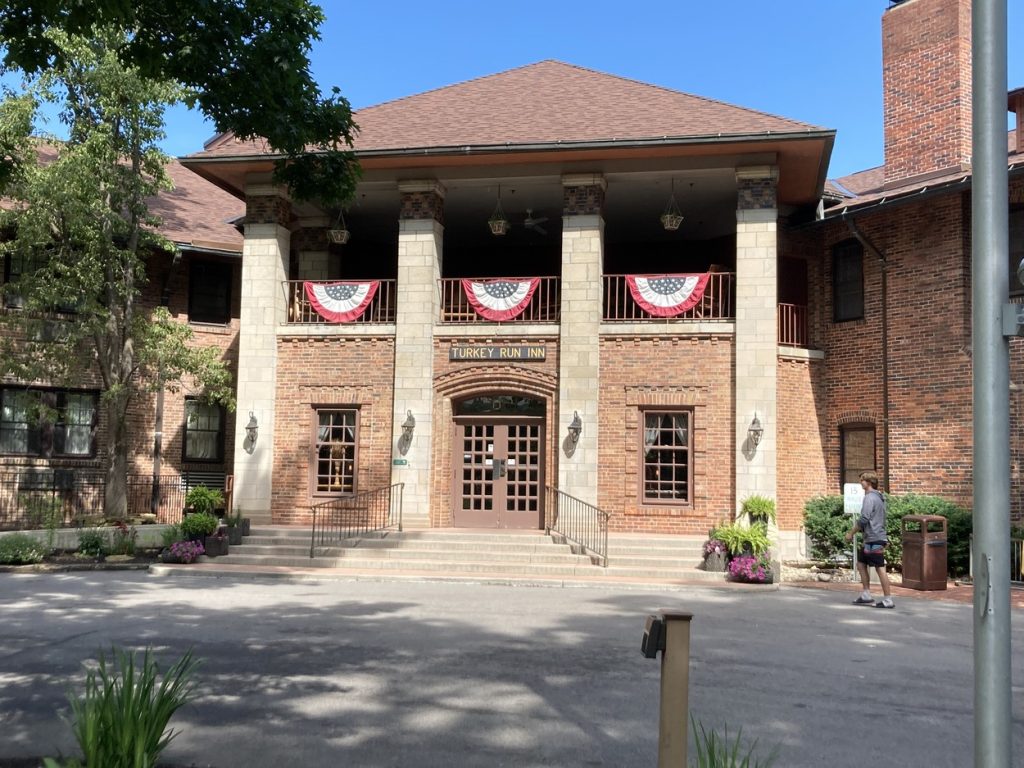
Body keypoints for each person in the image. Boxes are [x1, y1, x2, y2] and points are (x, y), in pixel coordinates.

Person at [845, 471, 894, 609]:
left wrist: (851, 533)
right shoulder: (880, 497)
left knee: (880, 569)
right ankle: (866, 594)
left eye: (862, 480)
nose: (861, 482)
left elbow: (864, 519)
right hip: (872, 539)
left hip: (874, 539)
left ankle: (888, 599)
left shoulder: (869, 498)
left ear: (869, 483)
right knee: (861, 564)